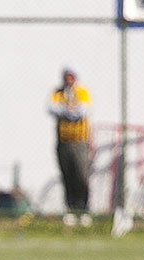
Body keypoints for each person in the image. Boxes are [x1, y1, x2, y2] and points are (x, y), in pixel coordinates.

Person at [48, 68, 93, 227]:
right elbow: (51, 108)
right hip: (63, 141)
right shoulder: (58, 92)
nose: (68, 80)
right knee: (67, 177)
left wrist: (66, 110)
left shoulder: (81, 92)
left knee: (81, 175)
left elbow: (81, 111)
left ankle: (84, 210)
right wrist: (68, 109)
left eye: (71, 77)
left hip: (80, 141)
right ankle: (71, 209)